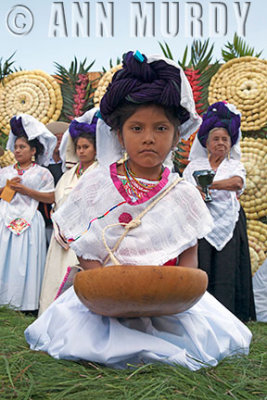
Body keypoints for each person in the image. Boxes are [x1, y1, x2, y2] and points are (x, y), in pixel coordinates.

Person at [24, 51, 252, 371]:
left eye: (160, 128)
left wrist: (172, 290)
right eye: (136, 128)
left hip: (170, 305)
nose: (148, 138)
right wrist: (110, 288)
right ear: (119, 134)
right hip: (105, 302)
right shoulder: (97, 185)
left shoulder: (183, 193)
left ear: (176, 136)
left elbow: (189, 261)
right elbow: (84, 249)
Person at [183, 101, 256, 322]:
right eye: (216, 139)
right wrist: (198, 189)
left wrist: (208, 185)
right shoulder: (194, 165)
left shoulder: (234, 164)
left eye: (225, 139)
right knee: (202, 263)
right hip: (201, 222)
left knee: (227, 266)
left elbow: (236, 183)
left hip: (229, 221)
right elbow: (186, 189)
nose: (221, 143)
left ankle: (229, 316)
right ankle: (201, 314)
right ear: (207, 143)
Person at [38, 110, 99, 315]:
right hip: (62, 236)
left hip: (86, 236)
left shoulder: (100, 174)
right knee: (57, 275)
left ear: (96, 149)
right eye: (78, 147)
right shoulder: (68, 175)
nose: (81, 151)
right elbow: (57, 202)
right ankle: (52, 316)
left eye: (86, 147)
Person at [0, 114, 56, 312]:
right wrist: (8, 188)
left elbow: (50, 198)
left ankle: (27, 304)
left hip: (31, 220)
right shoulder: (5, 172)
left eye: (22, 147)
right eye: (16, 147)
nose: (17, 150)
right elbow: (4, 198)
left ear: (33, 150)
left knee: (27, 260)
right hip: (5, 220)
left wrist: (27, 191)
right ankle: (4, 298)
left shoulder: (42, 173)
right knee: (5, 258)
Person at [38, 121, 69, 246]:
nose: (59, 143)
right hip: (45, 214)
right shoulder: (42, 165)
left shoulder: (69, 164)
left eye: (62, 139)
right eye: (56, 139)